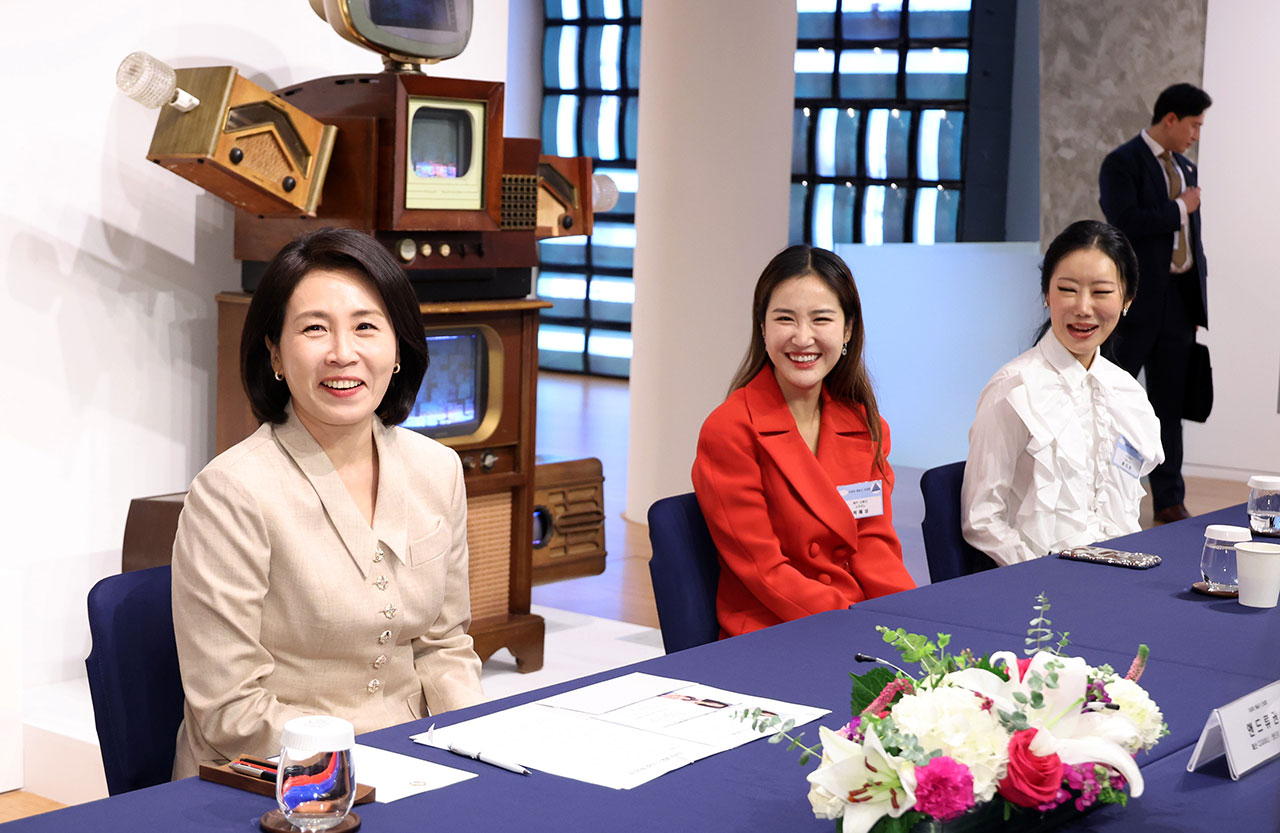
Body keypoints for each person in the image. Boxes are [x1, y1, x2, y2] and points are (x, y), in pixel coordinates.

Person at [170, 228, 485, 778]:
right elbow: (229, 710)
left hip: (419, 763)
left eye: (366, 327)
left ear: (397, 350)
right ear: (276, 353)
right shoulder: (231, 492)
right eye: (315, 329)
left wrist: (478, 752)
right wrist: (375, 760)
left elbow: (444, 646)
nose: (343, 353)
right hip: (273, 776)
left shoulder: (439, 470)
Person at [691, 245, 915, 638]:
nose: (802, 337)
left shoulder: (865, 425)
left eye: (821, 319)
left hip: (852, 618)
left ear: (847, 330)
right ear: (762, 328)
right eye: (785, 319)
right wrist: (855, 622)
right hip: (772, 629)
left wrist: (911, 623)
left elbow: (874, 546)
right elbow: (764, 571)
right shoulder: (729, 429)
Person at [961, 220, 1164, 566]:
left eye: (1101, 292)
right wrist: (1041, 573)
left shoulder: (1126, 392)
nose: (1083, 307)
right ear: (1046, 294)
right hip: (1041, 586)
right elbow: (982, 520)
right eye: (1068, 289)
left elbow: (1125, 506)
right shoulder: (1014, 389)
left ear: (1127, 299)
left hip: (1121, 576)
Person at [1099, 82, 1211, 524]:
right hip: (1135, 302)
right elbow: (1124, 222)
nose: (1195, 135)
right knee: (1117, 402)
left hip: (1179, 306)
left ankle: (1168, 499)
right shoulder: (1122, 163)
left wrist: (1197, 306)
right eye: (1194, 125)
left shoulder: (1186, 167)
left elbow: (1190, 243)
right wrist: (1180, 207)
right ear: (1171, 119)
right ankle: (1109, 494)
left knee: (1170, 407)